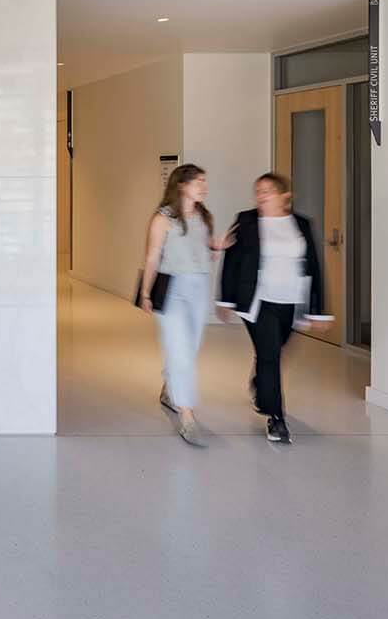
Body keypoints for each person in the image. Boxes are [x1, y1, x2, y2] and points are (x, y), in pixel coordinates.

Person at [218, 173, 331, 444]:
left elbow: (314, 266)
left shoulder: (301, 224)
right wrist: (225, 300)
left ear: (285, 196)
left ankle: (260, 383)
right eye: (258, 190)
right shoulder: (246, 221)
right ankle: (277, 418)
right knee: (270, 356)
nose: (261, 195)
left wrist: (319, 311)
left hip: (292, 303)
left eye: (268, 190)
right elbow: (231, 260)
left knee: (273, 352)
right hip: (258, 302)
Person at [139, 163, 225, 446]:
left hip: (199, 287)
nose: (204, 186)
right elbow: (152, 257)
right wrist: (146, 293)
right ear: (181, 185)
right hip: (171, 288)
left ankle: (170, 387)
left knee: (191, 346)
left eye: (204, 181)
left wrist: (214, 248)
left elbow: (201, 250)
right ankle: (187, 416)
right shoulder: (162, 218)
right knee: (180, 351)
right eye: (198, 181)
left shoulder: (203, 215)